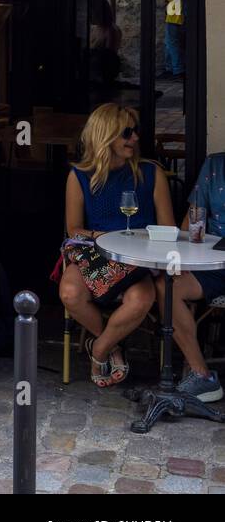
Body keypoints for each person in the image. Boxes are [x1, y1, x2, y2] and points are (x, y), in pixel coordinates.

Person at [57, 103, 166, 388]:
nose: (135, 138)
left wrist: (140, 242)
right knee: (69, 293)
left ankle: (100, 348)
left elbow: (167, 230)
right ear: (105, 136)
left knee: (140, 300)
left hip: (139, 260)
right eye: (126, 133)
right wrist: (106, 239)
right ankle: (115, 348)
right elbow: (74, 229)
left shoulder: (151, 173)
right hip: (99, 254)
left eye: (134, 132)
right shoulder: (79, 176)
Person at [155, 152, 225, 402]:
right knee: (168, 286)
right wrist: (182, 256)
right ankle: (201, 375)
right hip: (215, 262)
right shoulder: (216, 164)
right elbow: (194, 216)